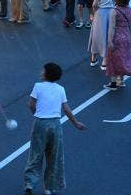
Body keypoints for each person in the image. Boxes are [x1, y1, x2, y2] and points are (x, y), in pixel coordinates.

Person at [23, 62, 86, 194]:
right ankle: (49, 188)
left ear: (47, 74)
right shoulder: (60, 89)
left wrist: (37, 115)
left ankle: (30, 183)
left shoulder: (37, 86)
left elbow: (31, 104)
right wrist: (76, 123)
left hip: (40, 123)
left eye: (43, 70)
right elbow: (66, 109)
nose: (41, 72)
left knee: (36, 154)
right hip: (56, 125)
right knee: (54, 156)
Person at [88, 0, 119, 68]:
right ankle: (105, 61)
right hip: (112, 14)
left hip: (100, 14)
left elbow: (94, 5)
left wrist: (93, 14)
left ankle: (93, 58)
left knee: (96, 35)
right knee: (108, 36)